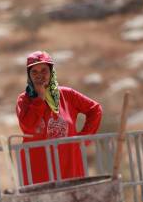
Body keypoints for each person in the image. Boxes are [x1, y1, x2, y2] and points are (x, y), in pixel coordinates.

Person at [16, 51, 102, 185]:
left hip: (70, 166)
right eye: (34, 72)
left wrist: (83, 139)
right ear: (29, 75)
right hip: (38, 170)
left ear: (51, 72)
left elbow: (95, 109)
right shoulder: (24, 100)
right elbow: (28, 127)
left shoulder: (67, 95)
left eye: (44, 70)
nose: (39, 76)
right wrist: (39, 98)